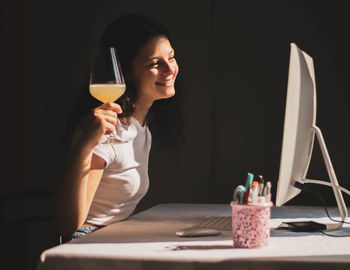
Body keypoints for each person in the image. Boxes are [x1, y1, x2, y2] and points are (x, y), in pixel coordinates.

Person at [54, 13, 183, 241]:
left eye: (171, 58)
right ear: (126, 72)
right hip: (88, 242)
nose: (170, 68)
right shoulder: (110, 131)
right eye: (155, 63)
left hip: (113, 236)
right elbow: (68, 226)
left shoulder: (140, 127)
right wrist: (86, 143)